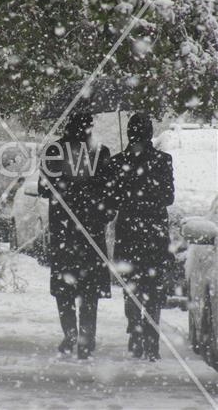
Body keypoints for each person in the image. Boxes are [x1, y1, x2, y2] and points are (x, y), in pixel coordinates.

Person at [38, 113, 111, 359]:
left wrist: (64, 186)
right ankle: (86, 339)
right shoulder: (101, 152)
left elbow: (43, 187)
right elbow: (108, 189)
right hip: (91, 229)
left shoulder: (55, 150)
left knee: (64, 287)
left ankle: (70, 333)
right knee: (89, 289)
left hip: (64, 230)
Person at [105, 113, 174, 361]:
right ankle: (151, 340)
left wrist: (129, 193)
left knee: (131, 285)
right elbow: (168, 197)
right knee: (153, 289)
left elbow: (112, 201)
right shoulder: (163, 160)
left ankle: (135, 331)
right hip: (154, 232)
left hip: (129, 232)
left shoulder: (117, 163)